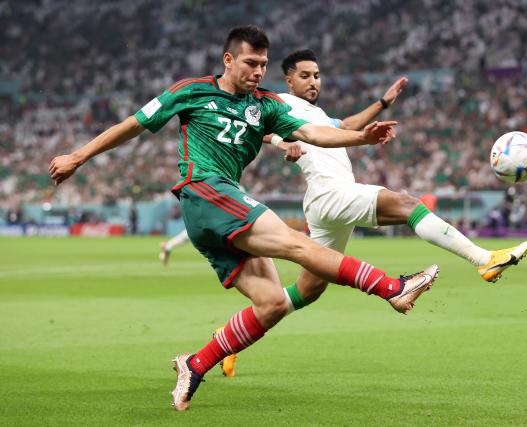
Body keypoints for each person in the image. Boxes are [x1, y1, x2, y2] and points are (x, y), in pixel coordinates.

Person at [48, 26, 439, 411]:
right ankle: (390, 287)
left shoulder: (266, 105)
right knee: (299, 246)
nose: (257, 72)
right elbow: (133, 125)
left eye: (264, 65)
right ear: (228, 59)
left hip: (218, 210)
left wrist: (361, 139)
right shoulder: (191, 90)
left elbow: (312, 133)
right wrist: (77, 157)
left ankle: (195, 363)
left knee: (271, 303)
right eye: (250, 63)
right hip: (204, 190)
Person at [217, 49, 527, 376]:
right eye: (305, 76)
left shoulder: (316, 112)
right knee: (408, 204)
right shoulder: (279, 102)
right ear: (289, 81)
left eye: (317, 75)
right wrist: (282, 143)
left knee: (308, 291)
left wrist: (382, 103)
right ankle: (483, 260)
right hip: (330, 193)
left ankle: (229, 342)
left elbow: (346, 126)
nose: (313, 82)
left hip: (326, 203)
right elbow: (257, 126)